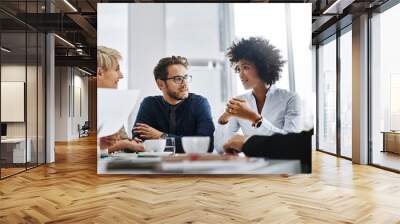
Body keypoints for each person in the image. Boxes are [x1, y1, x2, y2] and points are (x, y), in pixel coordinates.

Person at [214, 37, 302, 153]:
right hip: (250, 167)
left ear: (263, 67)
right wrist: (223, 120)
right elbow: (221, 149)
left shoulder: (290, 99)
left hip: (280, 168)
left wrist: (255, 118)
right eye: (238, 69)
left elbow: (291, 144)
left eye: (245, 67)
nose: (240, 75)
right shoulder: (240, 102)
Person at [132, 56, 215, 153]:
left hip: (191, 165)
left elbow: (205, 145)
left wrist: (161, 136)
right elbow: (138, 141)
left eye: (186, 78)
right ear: (161, 84)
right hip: (157, 166)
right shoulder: (149, 104)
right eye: (178, 79)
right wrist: (185, 143)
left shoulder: (200, 103)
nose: (185, 84)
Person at [97, 46, 143, 153]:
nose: (121, 76)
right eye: (116, 69)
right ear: (99, 73)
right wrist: (124, 144)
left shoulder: (111, 104)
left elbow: (122, 138)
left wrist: (130, 142)